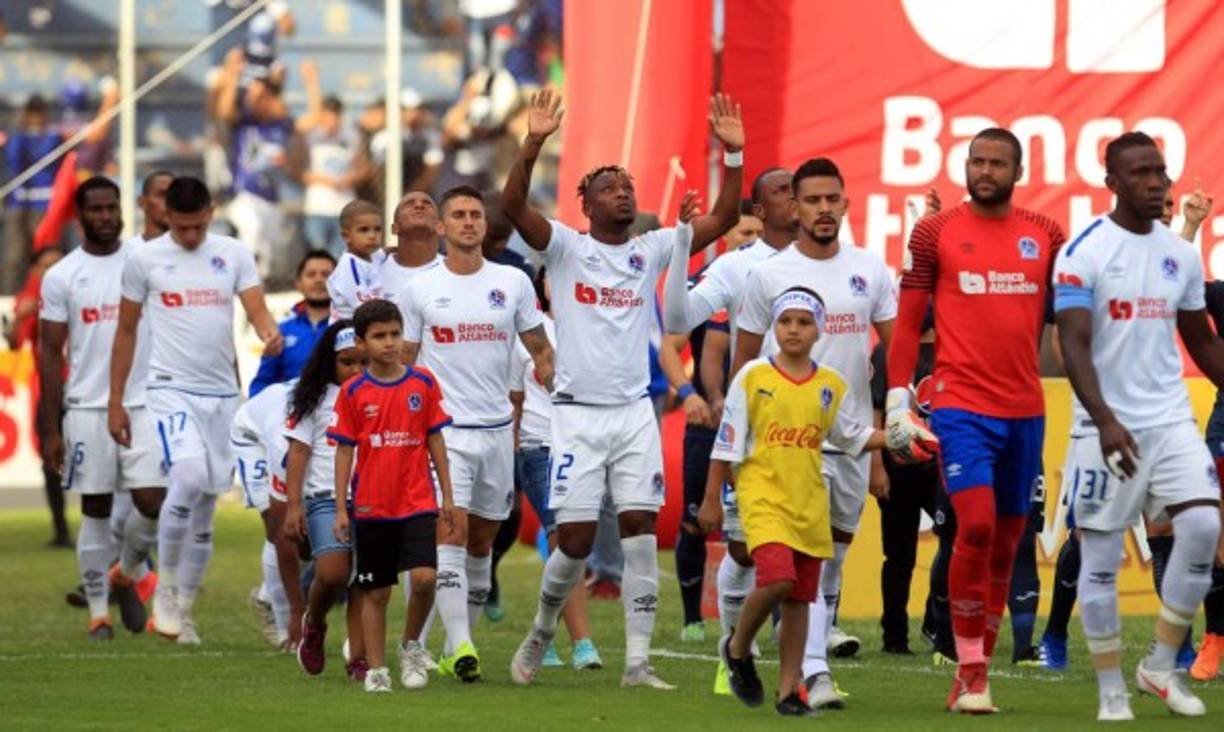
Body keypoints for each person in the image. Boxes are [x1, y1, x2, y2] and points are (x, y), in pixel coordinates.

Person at [504, 88, 745, 689]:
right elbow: (511, 206)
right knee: (576, 540)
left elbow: (719, 220)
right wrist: (533, 143)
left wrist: (733, 157)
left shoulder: (652, 248)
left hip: (635, 412)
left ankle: (638, 662)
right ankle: (541, 631)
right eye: (609, 187)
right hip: (577, 417)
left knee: (640, 528)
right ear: (585, 204)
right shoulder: (567, 248)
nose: (623, 192)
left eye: (627, 186)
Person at [886, 127, 1065, 713]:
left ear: (1018, 171)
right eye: (977, 161)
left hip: (1025, 410)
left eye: (997, 163)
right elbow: (907, 322)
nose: (985, 171)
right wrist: (897, 400)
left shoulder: (1046, 234)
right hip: (960, 406)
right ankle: (971, 669)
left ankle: (975, 672)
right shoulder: (934, 232)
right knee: (978, 527)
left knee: (1009, 542)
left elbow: (1068, 321)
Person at [1054, 132, 1224, 720]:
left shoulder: (1182, 255)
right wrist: (1104, 419)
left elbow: (1202, 340)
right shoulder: (1083, 252)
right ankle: (1111, 690)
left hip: (1171, 418)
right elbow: (1073, 344)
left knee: (1203, 526)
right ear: (1113, 183)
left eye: (1161, 172)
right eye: (1141, 174)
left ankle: (1159, 664)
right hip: (1103, 425)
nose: (1157, 183)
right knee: (1100, 559)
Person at [725, 157, 898, 709]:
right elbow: (743, 364)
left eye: (832, 199)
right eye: (812, 200)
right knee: (799, 566)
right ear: (794, 207)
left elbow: (894, 353)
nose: (823, 209)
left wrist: (894, 424)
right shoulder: (768, 274)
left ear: (846, 203)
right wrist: (733, 449)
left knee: (830, 564)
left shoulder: (871, 270)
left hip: (848, 437)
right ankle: (815, 675)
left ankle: (791, 665)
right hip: (783, 449)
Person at [109, 176, 283, 645]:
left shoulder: (233, 253)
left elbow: (257, 310)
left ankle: (183, 610)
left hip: (222, 394)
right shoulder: (144, 259)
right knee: (186, 478)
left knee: (205, 506)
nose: (188, 235)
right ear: (166, 216)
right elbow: (125, 330)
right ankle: (164, 591)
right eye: (180, 227)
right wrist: (116, 401)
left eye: (197, 226)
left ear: (210, 214)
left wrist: (269, 333)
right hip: (170, 389)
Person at [705, 287, 890, 716]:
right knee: (778, 579)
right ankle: (737, 647)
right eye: (785, 321)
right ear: (774, 326)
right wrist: (712, 497)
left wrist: (896, 438)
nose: (793, 329)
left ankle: (789, 690)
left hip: (809, 499)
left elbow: (851, 436)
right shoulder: (752, 376)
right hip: (762, 496)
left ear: (818, 330)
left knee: (799, 598)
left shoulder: (831, 384)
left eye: (804, 322)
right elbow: (727, 441)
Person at [400, 185, 554, 682]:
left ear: (486, 225)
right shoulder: (420, 289)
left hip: (497, 430)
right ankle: (464, 644)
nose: (468, 222)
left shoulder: (513, 282)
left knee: (483, 543)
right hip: (444, 434)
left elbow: (539, 349)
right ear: (441, 227)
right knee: (452, 531)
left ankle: (450, 645)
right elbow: (404, 361)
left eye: (475, 215)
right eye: (458, 215)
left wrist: (558, 381)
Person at [37, 178, 165, 639]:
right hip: (87, 406)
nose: (107, 216)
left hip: (143, 402)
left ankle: (125, 573)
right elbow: (49, 353)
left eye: (113, 207)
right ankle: (98, 614)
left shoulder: (144, 261)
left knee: (152, 500)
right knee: (95, 507)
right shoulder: (63, 276)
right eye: (97, 210)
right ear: (80, 217)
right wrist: (51, 429)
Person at [328, 299, 456, 693]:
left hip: (417, 500)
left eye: (395, 334)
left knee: (425, 578)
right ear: (362, 343)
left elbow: (435, 439)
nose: (389, 343)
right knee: (377, 590)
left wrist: (448, 496)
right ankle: (377, 670)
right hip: (372, 505)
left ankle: (411, 646)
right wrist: (340, 508)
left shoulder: (423, 382)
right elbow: (344, 451)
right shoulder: (353, 391)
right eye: (379, 336)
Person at [657, 198, 763, 643]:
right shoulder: (708, 282)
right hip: (709, 419)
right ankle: (691, 619)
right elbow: (671, 346)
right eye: (745, 233)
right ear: (726, 236)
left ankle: (768, 617)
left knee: (762, 521)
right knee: (696, 518)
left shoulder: (780, 277)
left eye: (759, 234)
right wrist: (689, 393)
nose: (753, 241)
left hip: (762, 419)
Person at [512, 266, 604, 669]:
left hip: (582, 445)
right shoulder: (527, 332)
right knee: (561, 536)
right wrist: (510, 446)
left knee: (575, 541)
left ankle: (544, 631)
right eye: (555, 274)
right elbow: (514, 396)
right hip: (539, 445)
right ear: (543, 284)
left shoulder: (597, 329)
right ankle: (581, 643)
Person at [283, 321, 369, 681]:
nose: (356, 370)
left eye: (363, 362)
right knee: (333, 574)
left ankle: (359, 658)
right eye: (347, 362)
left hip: (373, 500)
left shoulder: (382, 392)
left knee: (364, 581)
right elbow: (299, 451)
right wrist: (293, 506)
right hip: (325, 499)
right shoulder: (313, 398)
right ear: (329, 362)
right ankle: (315, 623)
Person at [870, 309, 937, 655]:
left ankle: (936, 620)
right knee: (898, 555)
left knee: (958, 540)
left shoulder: (954, 347)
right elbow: (876, 410)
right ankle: (894, 636)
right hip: (897, 467)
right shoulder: (888, 350)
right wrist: (876, 467)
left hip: (941, 466)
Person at [215, 47, 295, 283]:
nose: (255, 100)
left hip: (271, 197)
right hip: (244, 194)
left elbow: (282, 108)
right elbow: (225, 110)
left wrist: (276, 83)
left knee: (272, 250)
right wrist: (233, 73)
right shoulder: (244, 123)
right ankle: (244, 286)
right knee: (252, 231)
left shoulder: (279, 124)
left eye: (261, 96)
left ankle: (262, 287)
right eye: (252, 96)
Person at [229, 378, 297, 649]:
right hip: (252, 436)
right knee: (278, 526)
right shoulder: (285, 434)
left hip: (289, 436)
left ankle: (266, 596)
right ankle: (284, 629)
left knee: (307, 535)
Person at [296, 59, 364, 259]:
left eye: (336, 115)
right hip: (317, 206)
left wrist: (351, 178)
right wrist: (312, 82)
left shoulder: (351, 136)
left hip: (343, 208)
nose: (332, 120)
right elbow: (297, 169)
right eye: (328, 115)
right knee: (318, 255)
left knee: (339, 257)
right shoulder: (311, 136)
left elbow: (362, 167)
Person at [250, 251, 335, 395]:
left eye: (326, 275)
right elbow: (263, 383)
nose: (319, 280)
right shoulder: (281, 331)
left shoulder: (350, 329)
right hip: (290, 407)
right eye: (311, 275)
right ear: (298, 284)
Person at [326, 200, 386, 322]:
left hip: (368, 322)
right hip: (348, 326)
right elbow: (365, 308)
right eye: (364, 230)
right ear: (346, 236)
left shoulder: (374, 254)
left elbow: (387, 251)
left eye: (377, 229)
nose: (372, 236)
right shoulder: (350, 266)